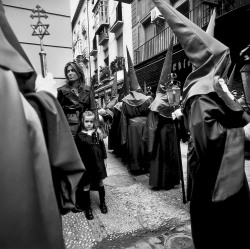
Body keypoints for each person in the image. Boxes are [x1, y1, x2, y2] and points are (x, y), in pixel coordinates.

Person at [152, 1, 250, 248]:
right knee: (218, 232)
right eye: (223, 58)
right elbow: (211, 141)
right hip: (214, 179)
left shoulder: (216, 87)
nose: (227, 62)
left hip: (227, 175)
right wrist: (243, 131)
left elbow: (236, 118)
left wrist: (231, 102)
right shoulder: (200, 92)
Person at [148, 37, 181, 190]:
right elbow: (178, 116)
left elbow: (152, 126)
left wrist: (150, 142)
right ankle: (171, 180)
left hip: (161, 133)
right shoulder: (173, 98)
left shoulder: (157, 101)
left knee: (161, 156)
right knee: (171, 154)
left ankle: (161, 181)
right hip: (172, 131)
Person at [121, 48, 153, 172]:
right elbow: (151, 116)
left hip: (132, 128)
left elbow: (123, 120)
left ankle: (136, 168)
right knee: (145, 146)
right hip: (145, 126)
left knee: (134, 147)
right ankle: (146, 166)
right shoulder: (147, 99)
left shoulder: (125, 101)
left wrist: (123, 137)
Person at [75, 111, 108, 220]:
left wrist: (105, 158)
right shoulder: (80, 135)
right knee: (86, 184)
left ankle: (103, 203)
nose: (89, 124)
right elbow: (85, 143)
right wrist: (93, 133)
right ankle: (88, 208)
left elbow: (102, 146)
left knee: (100, 182)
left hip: (98, 163)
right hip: (86, 164)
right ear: (82, 121)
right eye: (86, 122)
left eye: (91, 122)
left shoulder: (97, 133)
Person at [57, 62, 90, 138]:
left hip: (85, 124)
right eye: (68, 71)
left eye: (72, 70)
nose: (70, 73)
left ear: (79, 72)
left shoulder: (88, 89)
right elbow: (58, 111)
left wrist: (97, 127)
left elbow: (93, 108)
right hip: (69, 126)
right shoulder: (61, 90)